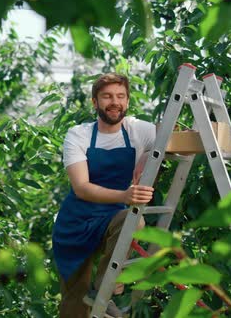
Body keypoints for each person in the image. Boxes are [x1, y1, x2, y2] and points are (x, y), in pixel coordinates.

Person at [52, 73, 156, 317]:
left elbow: (172, 137)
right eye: (107, 96)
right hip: (75, 224)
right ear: (94, 102)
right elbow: (82, 187)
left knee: (134, 221)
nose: (114, 102)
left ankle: (104, 288)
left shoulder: (137, 130)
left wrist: (147, 155)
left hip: (110, 219)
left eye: (120, 96)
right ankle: (96, 295)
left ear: (128, 102)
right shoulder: (79, 135)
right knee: (75, 304)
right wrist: (124, 195)